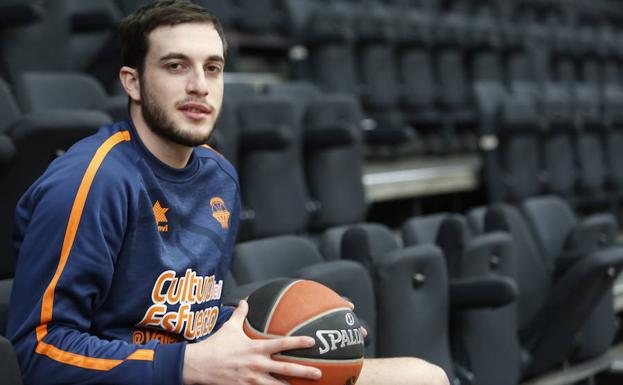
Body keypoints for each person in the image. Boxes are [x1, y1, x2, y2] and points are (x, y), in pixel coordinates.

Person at [6, 1, 449, 385]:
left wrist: (294, 322)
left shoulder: (219, 175)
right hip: (148, 375)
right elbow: (40, 353)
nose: (199, 84)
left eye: (212, 68)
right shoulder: (89, 181)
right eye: (176, 66)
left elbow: (192, 313)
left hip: (202, 367)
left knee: (425, 377)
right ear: (133, 82)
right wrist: (186, 365)